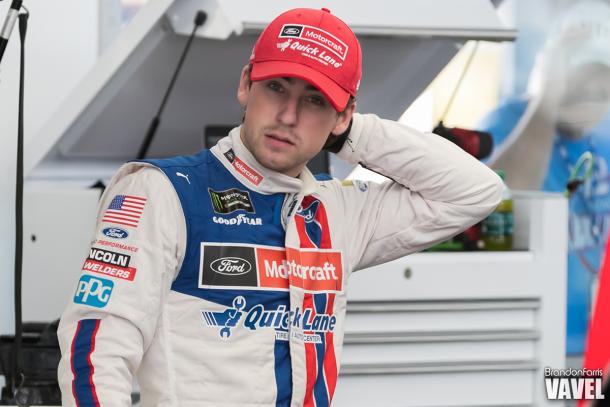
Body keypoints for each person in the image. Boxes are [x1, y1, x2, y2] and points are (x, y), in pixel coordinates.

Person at [57, 7, 502, 407]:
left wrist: (351, 135)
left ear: (343, 115)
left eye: (314, 101)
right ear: (245, 85)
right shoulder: (162, 192)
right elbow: (95, 352)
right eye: (276, 88)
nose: (288, 116)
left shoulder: (336, 211)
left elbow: (475, 191)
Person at [478, 0, 610, 355]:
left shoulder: (602, 138)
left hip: (594, 350)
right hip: (533, 344)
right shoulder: (505, 124)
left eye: (604, 81)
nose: (596, 94)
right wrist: (546, 99)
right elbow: (497, 207)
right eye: (583, 79)